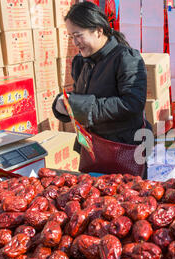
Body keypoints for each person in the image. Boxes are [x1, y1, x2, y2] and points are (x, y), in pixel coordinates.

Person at [52, 2, 151, 172]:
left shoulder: (126, 58)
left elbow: (132, 103)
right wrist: (64, 105)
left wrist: (77, 105)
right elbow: (79, 97)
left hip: (121, 149)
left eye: (78, 35)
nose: (75, 42)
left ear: (98, 30)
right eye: (71, 37)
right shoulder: (80, 62)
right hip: (92, 150)